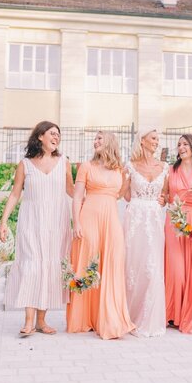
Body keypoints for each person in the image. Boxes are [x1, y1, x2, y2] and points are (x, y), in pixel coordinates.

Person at [0, 121, 73, 337]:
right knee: (32, 266)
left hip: (57, 224)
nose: (56, 137)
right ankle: (29, 321)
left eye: (58, 134)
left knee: (50, 268)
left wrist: (93, 205)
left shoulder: (64, 163)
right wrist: (3, 221)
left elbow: (71, 190)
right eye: (52, 133)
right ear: (40, 136)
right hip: (31, 223)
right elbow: (15, 194)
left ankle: (41, 320)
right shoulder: (25, 164)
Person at [68, 132, 135, 339]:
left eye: (99, 138)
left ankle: (110, 317)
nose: (95, 142)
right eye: (95, 139)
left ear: (110, 143)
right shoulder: (86, 167)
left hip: (112, 219)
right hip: (89, 218)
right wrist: (77, 222)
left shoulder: (120, 170)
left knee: (112, 263)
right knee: (88, 263)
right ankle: (84, 318)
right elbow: (77, 197)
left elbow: (126, 196)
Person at [162, 134, 192, 334]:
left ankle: (191, 315)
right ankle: (173, 313)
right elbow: (165, 195)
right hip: (174, 221)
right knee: (176, 270)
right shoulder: (171, 170)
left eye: (185, 144)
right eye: (179, 145)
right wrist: (162, 198)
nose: (181, 147)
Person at [121, 129, 169, 337]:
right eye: (153, 138)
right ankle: (130, 315)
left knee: (153, 266)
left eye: (158, 139)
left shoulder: (165, 167)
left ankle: (150, 319)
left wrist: (163, 200)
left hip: (155, 218)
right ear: (142, 141)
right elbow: (125, 194)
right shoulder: (130, 166)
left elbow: (165, 194)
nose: (156, 142)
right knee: (133, 266)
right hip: (135, 219)